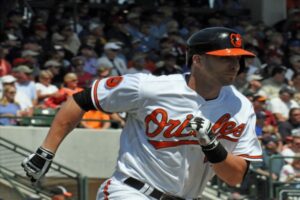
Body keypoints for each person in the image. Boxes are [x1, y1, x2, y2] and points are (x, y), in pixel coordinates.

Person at [21, 27, 262, 199]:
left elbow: (235, 178)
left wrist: (212, 146)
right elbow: (82, 100)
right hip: (132, 191)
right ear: (197, 60)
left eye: (239, 59)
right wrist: (45, 151)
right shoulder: (149, 87)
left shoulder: (240, 107)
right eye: (224, 58)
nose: (235, 65)